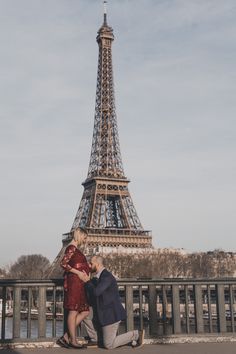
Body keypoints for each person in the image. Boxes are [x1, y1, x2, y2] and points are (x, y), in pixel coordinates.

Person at [78, 255, 145, 349]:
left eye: (91, 263)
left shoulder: (107, 277)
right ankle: (95, 339)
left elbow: (96, 292)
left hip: (111, 315)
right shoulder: (97, 278)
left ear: (97, 264)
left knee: (109, 345)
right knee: (85, 313)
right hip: (103, 312)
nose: (89, 265)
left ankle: (136, 334)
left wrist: (87, 281)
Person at [57, 227, 90, 349]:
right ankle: (73, 340)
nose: (85, 240)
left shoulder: (75, 248)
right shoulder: (71, 247)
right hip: (74, 283)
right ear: (79, 235)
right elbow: (63, 264)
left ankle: (66, 337)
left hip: (79, 283)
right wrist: (79, 273)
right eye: (84, 237)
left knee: (85, 311)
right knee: (74, 311)